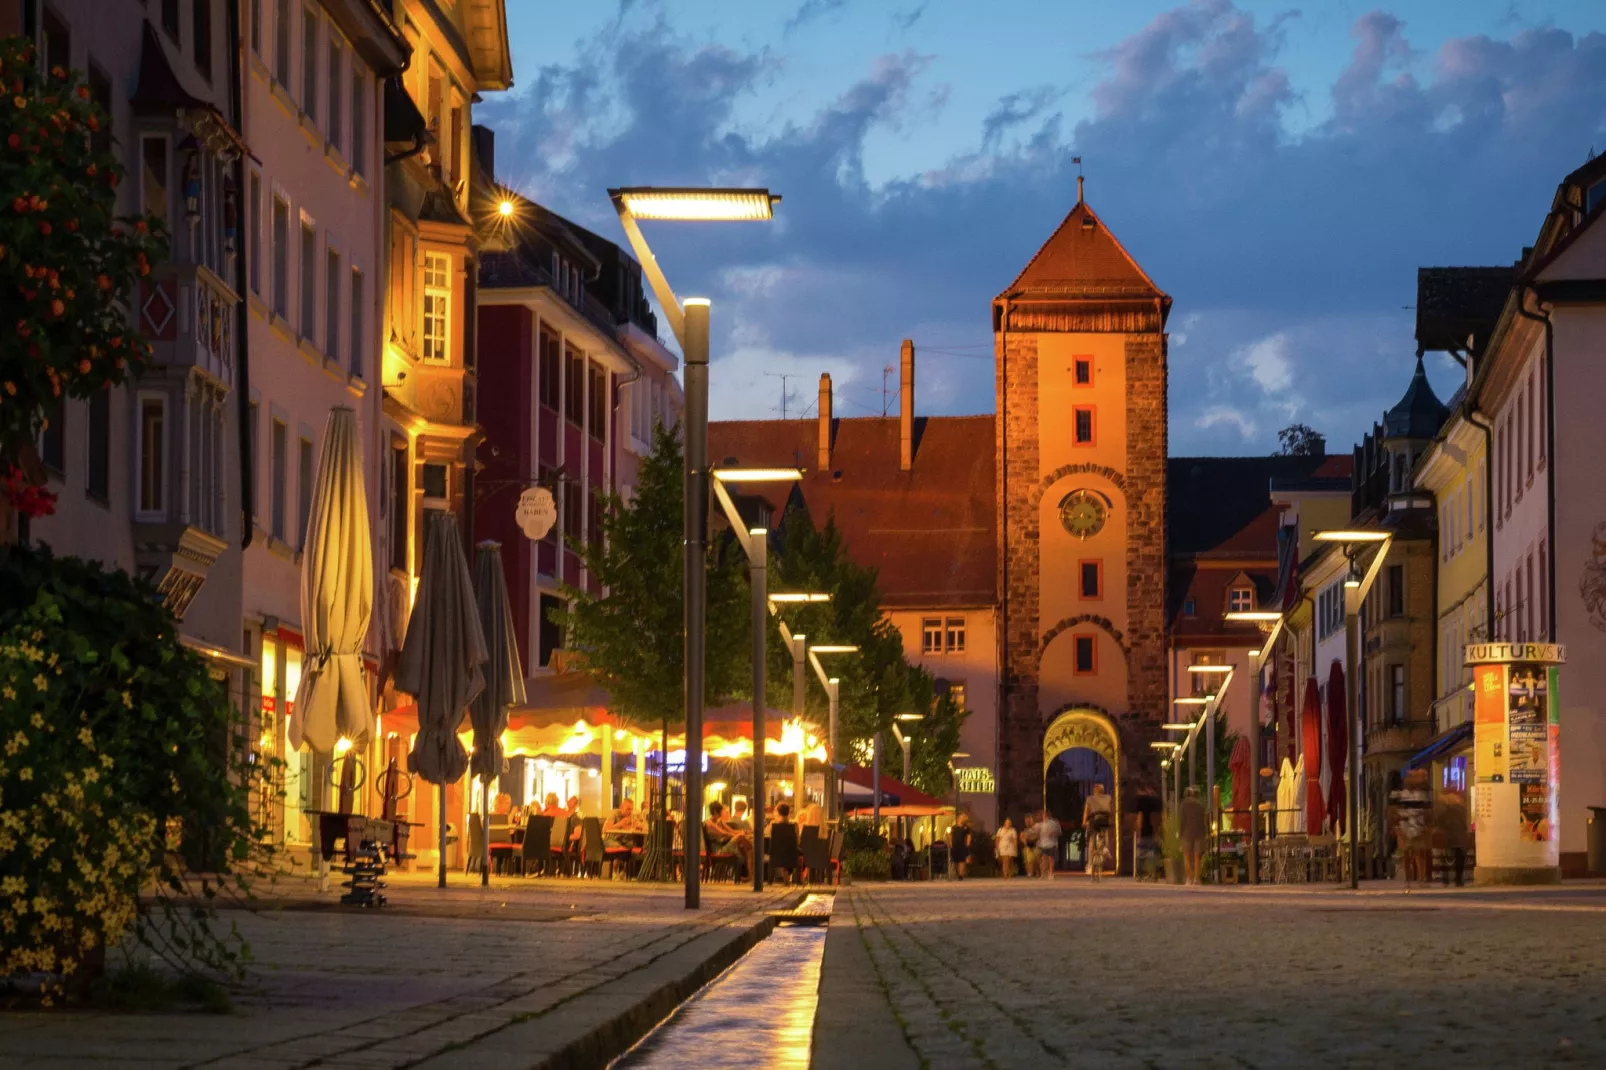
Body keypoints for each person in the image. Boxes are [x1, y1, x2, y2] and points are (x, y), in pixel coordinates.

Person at [1391, 768, 1433, 887]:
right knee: (1407, 854)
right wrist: (1395, 825)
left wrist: (1427, 823)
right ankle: (1410, 878)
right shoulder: (1400, 793)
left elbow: (1428, 810)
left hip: (1418, 826)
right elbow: (1393, 810)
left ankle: (1420, 877)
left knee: (1419, 853)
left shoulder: (1423, 793)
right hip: (1406, 826)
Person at [703, 801, 753, 878]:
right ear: (716, 811)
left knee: (747, 846)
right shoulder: (710, 824)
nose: (723, 812)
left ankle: (750, 874)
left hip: (726, 845)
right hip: (719, 850)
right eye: (722, 810)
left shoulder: (719, 821)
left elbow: (731, 831)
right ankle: (750, 874)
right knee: (743, 842)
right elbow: (724, 833)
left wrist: (744, 831)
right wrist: (739, 835)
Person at [1433, 787, 1470, 887]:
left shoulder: (1443, 808)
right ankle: (1458, 879)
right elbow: (1464, 822)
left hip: (1448, 835)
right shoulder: (1461, 807)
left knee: (1446, 857)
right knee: (1458, 857)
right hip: (1456, 835)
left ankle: (1447, 879)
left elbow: (1438, 820)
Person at [1083, 784, 1115, 883]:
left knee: (1092, 840)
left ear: (1094, 791)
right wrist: (1112, 821)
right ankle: (1105, 848)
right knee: (1105, 834)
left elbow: (1086, 812)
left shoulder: (1090, 798)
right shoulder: (1108, 798)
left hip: (1095, 821)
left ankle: (1089, 864)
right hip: (1105, 820)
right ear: (1102, 791)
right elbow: (1112, 811)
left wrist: (1084, 822)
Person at [1179, 786, 1207, 885]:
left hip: (1187, 833)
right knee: (1197, 857)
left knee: (1186, 856)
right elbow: (1204, 821)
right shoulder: (1201, 805)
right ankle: (1196, 879)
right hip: (1199, 833)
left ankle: (1189, 878)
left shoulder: (1184, 804)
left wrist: (1180, 833)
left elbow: (1182, 820)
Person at [1134, 788, 1162, 881]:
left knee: (1140, 856)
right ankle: (1154, 874)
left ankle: (1140, 875)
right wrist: (1156, 833)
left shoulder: (1141, 807)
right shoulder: (1155, 807)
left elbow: (1139, 820)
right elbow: (1155, 821)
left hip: (1143, 833)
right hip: (1151, 833)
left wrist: (1138, 832)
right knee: (1153, 855)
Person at [1036, 810, 1062, 879]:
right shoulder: (1041, 824)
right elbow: (1038, 833)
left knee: (1051, 859)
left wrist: (1053, 833)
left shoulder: (1054, 823)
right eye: (1042, 815)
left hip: (1052, 843)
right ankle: (1043, 874)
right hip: (1044, 844)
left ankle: (1051, 873)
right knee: (1044, 859)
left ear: (1047, 815)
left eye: (1044, 815)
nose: (1042, 816)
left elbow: (1059, 832)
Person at [950, 813, 971, 880]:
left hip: (962, 846)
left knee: (962, 861)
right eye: (961, 817)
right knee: (955, 861)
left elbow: (969, 837)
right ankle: (958, 873)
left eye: (963, 817)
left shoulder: (966, 828)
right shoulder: (953, 827)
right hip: (954, 846)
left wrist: (967, 845)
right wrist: (950, 844)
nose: (962, 818)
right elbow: (950, 836)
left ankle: (960, 875)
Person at [1020, 813, 1040, 878]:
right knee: (1029, 861)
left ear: (1033, 820)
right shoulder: (1024, 829)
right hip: (1027, 846)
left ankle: (1037, 872)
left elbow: (1038, 836)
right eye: (1026, 820)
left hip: (1036, 846)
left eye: (1029, 820)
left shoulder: (1037, 827)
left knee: (1036, 860)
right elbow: (1021, 837)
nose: (1028, 821)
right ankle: (1030, 873)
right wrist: (1025, 842)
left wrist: (1033, 839)